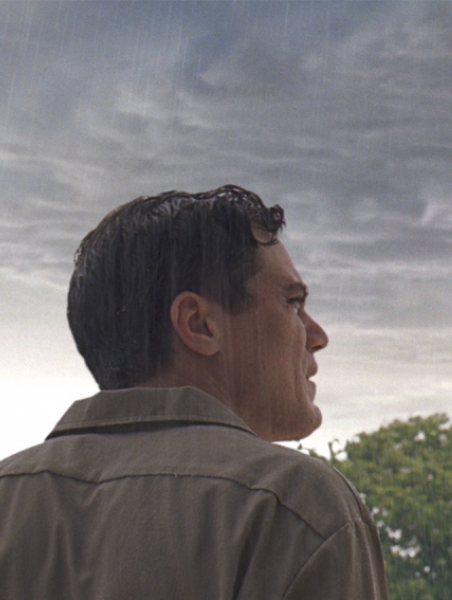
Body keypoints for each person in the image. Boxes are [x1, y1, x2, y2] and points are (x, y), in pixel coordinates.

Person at [0, 185, 389, 599]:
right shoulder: (293, 504)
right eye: (293, 303)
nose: (317, 336)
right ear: (199, 325)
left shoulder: (10, 499)